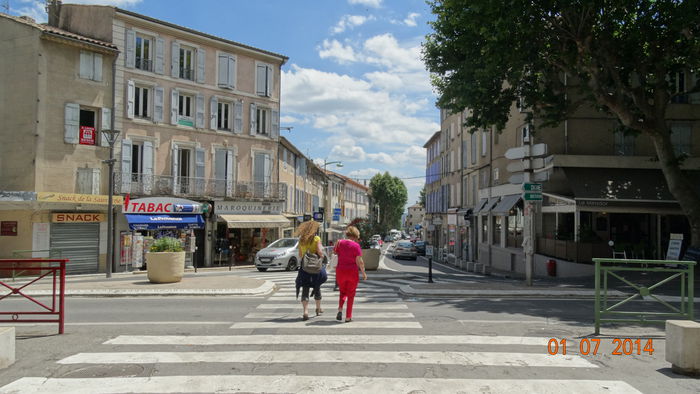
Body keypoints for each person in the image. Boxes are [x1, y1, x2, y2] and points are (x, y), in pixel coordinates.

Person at [294, 220, 327, 321]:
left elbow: (300, 255)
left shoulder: (301, 240)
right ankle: (318, 308)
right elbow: (320, 252)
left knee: (305, 288)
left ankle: (305, 312)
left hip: (305, 268)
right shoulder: (316, 238)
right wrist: (323, 257)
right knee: (317, 286)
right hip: (315, 268)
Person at [334, 225, 367, 323]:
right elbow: (359, 261)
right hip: (352, 272)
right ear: (356, 236)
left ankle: (340, 309)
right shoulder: (356, 246)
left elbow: (335, 254)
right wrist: (364, 273)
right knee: (351, 295)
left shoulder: (339, 243)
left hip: (340, 271)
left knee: (342, 292)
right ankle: (348, 317)